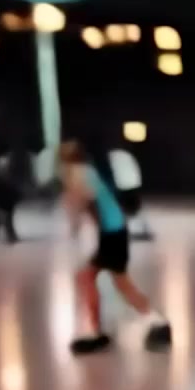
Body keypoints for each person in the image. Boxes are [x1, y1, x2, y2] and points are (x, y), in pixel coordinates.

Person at [58, 139, 172, 354]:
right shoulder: (87, 171)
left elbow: (84, 200)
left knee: (114, 281)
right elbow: (93, 204)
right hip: (114, 231)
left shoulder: (77, 173)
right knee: (97, 278)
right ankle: (101, 328)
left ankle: (154, 322)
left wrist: (75, 220)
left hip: (112, 233)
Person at [110, 143, 153, 241]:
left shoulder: (115, 157)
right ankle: (138, 228)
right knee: (132, 210)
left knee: (127, 210)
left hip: (124, 185)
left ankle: (133, 228)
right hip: (130, 184)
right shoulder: (125, 156)